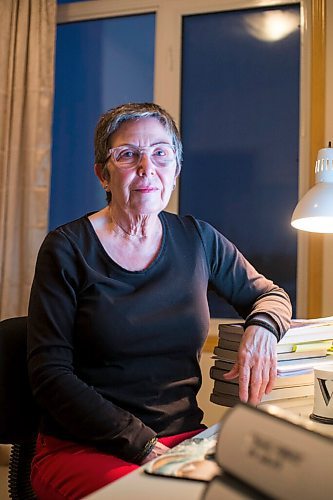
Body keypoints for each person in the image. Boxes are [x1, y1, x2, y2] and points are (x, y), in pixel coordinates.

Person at [27, 102, 292, 499]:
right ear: (103, 174)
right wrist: (145, 447)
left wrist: (262, 328)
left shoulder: (199, 239)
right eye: (128, 154)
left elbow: (270, 295)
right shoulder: (66, 249)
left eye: (161, 153)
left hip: (183, 440)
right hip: (85, 445)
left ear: (175, 170)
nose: (147, 168)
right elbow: (50, 375)